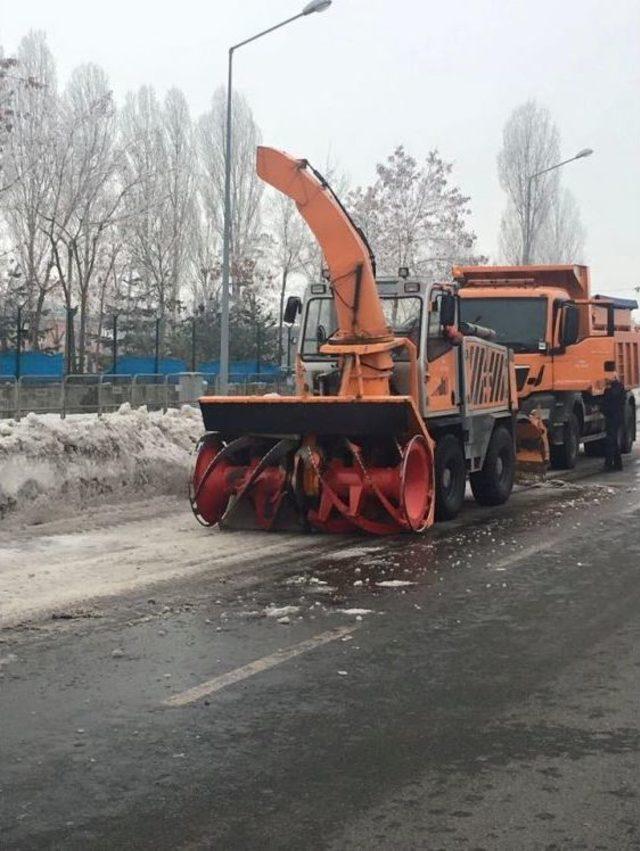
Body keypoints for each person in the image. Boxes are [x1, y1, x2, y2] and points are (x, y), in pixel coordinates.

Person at [601, 376, 626, 471]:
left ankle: (610, 464)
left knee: (611, 441)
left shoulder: (612, 390)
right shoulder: (619, 388)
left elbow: (607, 403)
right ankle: (616, 464)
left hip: (612, 418)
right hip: (616, 417)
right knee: (613, 441)